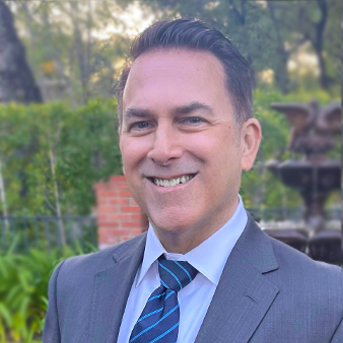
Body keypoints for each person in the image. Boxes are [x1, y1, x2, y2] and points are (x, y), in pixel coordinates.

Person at [43, 19, 343, 343]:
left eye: (192, 120)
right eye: (142, 124)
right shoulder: (71, 287)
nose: (162, 150)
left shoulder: (328, 305)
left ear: (247, 143)